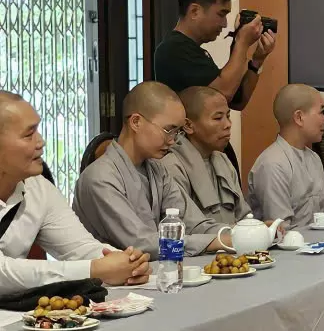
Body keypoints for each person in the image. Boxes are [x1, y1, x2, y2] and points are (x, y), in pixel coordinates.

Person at [0, 92, 150, 294]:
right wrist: (93, 270)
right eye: (29, 135)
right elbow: (3, 272)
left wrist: (128, 262)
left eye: (38, 131)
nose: (41, 142)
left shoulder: (39, 188)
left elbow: (78, 248)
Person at [74, 83, 232, 256]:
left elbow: (193, 224)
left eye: (178, 132)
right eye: (169, 130)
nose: (173, 140)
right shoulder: (100, 178)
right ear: (136, 122)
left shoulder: (158, 170)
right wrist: (214, 242)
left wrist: (239, 234)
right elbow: (140, 242)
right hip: (110, 273)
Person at [153, 0, 276, 112]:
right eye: (221, 14)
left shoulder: (193, 50)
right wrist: (241, 42)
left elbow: (237, 101)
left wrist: (257, 61)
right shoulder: (174, 49)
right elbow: (223, 95)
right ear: (194, 11)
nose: (225, 24)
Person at [247, 84, 324, 229]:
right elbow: (281, 229)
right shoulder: (272, 165)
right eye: (321, 112)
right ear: (299, 117)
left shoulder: (314, 158)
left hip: (323, 240)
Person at [158, 87, 250, 226]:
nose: (228, 125)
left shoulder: (224, 160)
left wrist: (257, 227)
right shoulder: (172, 167)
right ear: (188, 125)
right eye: (218, 118)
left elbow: (243, 216)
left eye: (228, 116)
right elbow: (185, 226)